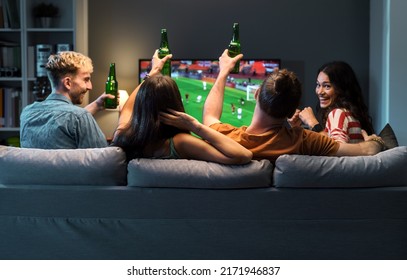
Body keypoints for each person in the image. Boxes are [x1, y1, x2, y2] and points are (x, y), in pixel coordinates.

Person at [202, 50, 384, 164]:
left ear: (256, 94)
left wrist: (223, 70)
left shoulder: (228, 139)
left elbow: (209, 116)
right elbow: (367, 150)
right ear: (291, 111)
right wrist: (375, 141)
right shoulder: (305, 140)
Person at [112, 50, 252, 164]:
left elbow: (128, 109)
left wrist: (153, 71)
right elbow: (244, 155)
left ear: (140, 105)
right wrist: (195, 126)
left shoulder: (123, 135)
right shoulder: (181, 143)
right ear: (175, 102)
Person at [20, 51, 115, 149]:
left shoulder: (27, 113)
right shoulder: (80, 117)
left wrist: (97, 105)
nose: (90, 86)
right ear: (67, 83)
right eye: (86, 80)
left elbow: (65, 119)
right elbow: (102, 159)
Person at [288, 61, 374, 143]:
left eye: (327, 86)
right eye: (318, 85)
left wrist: (313, 123)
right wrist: (296, 128)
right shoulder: (348, 113)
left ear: (342, 89)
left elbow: (337, 150)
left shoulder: (338, 113)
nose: (320, 92)